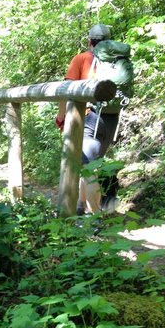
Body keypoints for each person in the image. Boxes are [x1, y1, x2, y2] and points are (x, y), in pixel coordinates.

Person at [55, 24, 121, 215]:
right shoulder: (117, 62)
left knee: (89, 169)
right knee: (90, 164)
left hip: (89, 117)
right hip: (111, 118)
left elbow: (65, 91)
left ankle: (95, 217)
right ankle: (80, 206)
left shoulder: (82, 59)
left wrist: (61, 117)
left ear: (89, 41)